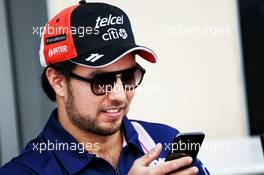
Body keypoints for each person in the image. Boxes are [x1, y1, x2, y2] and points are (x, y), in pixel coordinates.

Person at [0, 1, 210, 175]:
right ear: (58, 81)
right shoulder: (25, 171)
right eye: (101, 81)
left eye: (128, 77)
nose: (119, 95)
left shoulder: (165, 140)